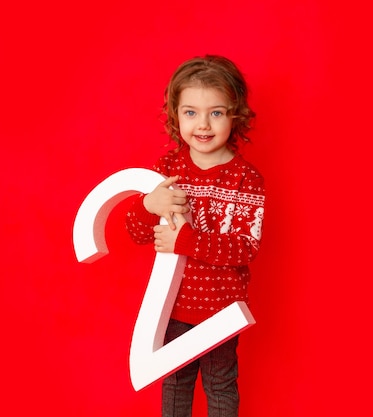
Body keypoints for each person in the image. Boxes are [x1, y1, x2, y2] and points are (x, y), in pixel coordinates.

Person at [125, 55, 265, 417]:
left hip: (221, 308)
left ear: (235, 115)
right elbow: (136, 232)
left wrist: (187, 240)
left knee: (219, 385)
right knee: (175, 383)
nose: (203, 124)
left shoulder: (245, 178)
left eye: (216, 113)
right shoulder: (167, 170)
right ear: (175, 115)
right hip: (172, 308)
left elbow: (245, 247)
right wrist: (149, 204)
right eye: (191, 113)